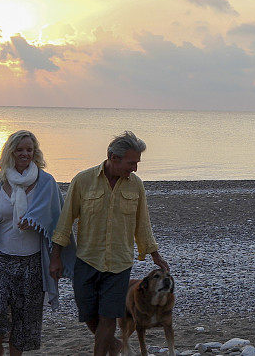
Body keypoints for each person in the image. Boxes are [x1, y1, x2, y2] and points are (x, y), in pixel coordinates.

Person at [50, 131, 169, 356]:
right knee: (87, 313)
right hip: (87, 260)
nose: (135, 168)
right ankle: (113, 345)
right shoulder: (83, 181)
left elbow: (142, 224)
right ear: (114, 158)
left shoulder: (136, 186)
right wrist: (55, 257)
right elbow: (65, 221)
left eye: (137, 163)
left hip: (119, 265)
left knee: (108, 317)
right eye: (131, 163)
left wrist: (154, 255)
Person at [0, 130, 76, 355]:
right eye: (20, 149)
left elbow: (58, 221)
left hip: (33, 262)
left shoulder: (47, 182)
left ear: (35, 153)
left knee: (27, 319)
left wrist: (38, 224)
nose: (25, 154)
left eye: (29, 150)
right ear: (10, 152)